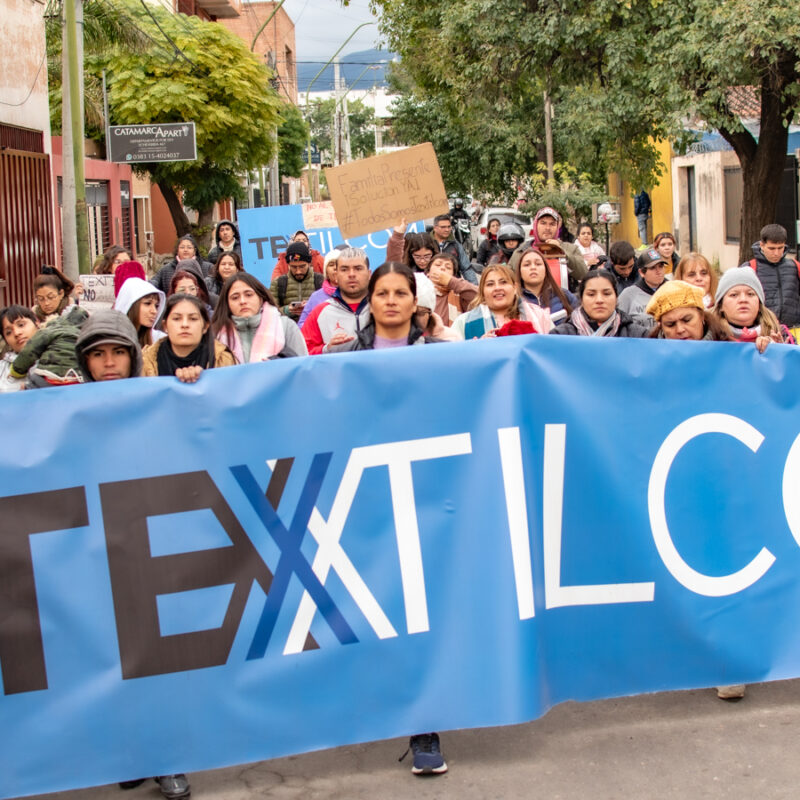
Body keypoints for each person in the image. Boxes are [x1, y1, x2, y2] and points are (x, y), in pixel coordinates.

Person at [212, 273, 308, 361]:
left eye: (249, 295)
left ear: (260, 297)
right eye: (235, 297)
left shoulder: (285, 326)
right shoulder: (215, 333)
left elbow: (302, 365)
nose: (242, 301)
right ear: (227, 303)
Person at [142, 294, 236, 381]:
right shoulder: (145, 361)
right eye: (177, 319)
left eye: (193, 319)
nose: (185, 324)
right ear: (165, 326)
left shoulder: (223, 359)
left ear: (205, 326)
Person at [452, 264, 552, 339]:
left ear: (515, 288)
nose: (497, 288)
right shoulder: (463, 322)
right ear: (482, 291)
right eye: (490, 284)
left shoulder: (539, 316)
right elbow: (452, 356)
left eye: (503, 282)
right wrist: (477, 347)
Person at [301, 247, 371, 354]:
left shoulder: (382, 307)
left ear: (369, 274)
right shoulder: (320, 312)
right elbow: (301, 352)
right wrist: (326, 349)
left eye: (358, 268)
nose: (351, 274)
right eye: (344, 269)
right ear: (336, 275)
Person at [711, 267, 793, 352]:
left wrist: (780, 351)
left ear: (759, 304)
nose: (743, 299)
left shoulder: (781, 333)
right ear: (720, 305)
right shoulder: (710, 335)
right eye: (734, 295)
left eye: (750, 294)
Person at [551, 269, 649, 338]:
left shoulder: (638, 336)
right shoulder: (560, 336)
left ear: (616, 298)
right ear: (581, 299)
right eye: (591, 294)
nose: (599, 300)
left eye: (606, 294)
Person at [739, 223, 800, 329]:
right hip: (761, 329)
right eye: (772, 248)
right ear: (762, 245)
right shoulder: (749, 268)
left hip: (793, 329)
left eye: (780, 248)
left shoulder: (795, 266)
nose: (776, 253)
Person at [10, 305, 88, 387]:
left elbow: (29, 351)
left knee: (33, 380)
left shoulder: (51, 330)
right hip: (79, 379)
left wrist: (16, 370)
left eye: (21, 325)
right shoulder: (86, 335)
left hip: (50, 377)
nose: (16, 333)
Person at [645, 280, 730, 341]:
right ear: (661, 327)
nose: (680, 329)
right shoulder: (650, 355)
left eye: (687, 320)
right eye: (670, 324)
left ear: (702, 316)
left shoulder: (728, 349)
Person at [76, 310, 143, 382]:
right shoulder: (72, 389)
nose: (109, 363)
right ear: (86, 362)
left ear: (133, 358)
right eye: (98, 354)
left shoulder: (150, 389)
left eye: (119, 352)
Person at [516, 247, 578, 325]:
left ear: (546, 269)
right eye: (527, 265)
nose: (533, 267)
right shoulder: (514, 300)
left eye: (538, 264)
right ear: (519, 271)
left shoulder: (564, 295)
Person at [270, 242, 324, 322]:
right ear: (288, 265)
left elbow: (330, 309)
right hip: (288, 328)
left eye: (302, 266)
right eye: (294, 267)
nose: (298, 271)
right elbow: (270, 313)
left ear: (309, 263)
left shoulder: (321, 281)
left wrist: (311, 307)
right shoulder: (277, 283)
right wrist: (287, 310)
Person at [617, 248, 669, 326]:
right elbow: (617, 323)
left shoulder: (673, 289)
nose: (658, 271)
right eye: (652, 268)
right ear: (641, 272)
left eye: (661, 266)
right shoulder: (628, 295)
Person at [426, 252, 477, 326]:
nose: (442, 268)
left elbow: (480, 298)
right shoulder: (418, 288)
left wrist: (451, 282)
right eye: (438, 265)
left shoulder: (459, 294)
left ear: (453, 275)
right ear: (428, 271)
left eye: (448, 267)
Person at [113, 277, 166, 348]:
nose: (154, 311)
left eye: (156, 306)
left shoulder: (159, 339)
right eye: (147, 303)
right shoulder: (110, 339)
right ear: (131, 305)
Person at [0, 305, 40, 392]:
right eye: (8, 332)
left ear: (37, 323)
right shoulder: (1, 369)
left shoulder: (59, 354)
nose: (16, 333)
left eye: (21, 325)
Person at [298, 250, 340, 327]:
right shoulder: (315, 297)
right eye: (331, 265)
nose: (335, 268)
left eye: (339, 264)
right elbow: (302, 325)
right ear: (326, 271)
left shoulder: (353, 294)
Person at [431, 214, 472, 279]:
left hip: (453, 283)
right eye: (443, 227)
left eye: (449, 227)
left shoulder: (456, 245)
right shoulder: (427, 243)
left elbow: (466, 268)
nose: (447, 230)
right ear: (435, 228)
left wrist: (473, 285)